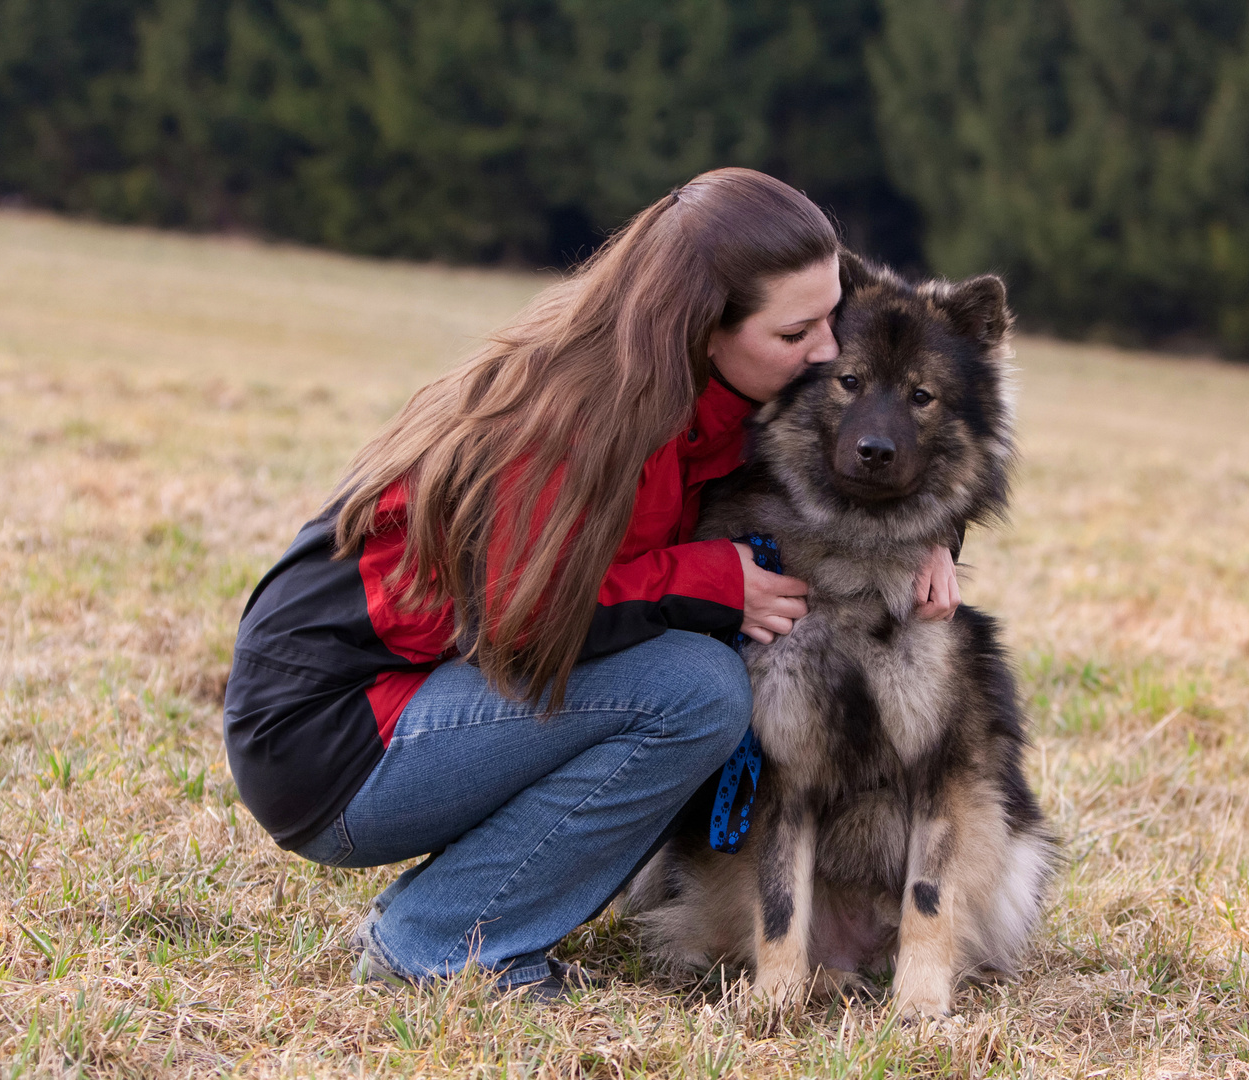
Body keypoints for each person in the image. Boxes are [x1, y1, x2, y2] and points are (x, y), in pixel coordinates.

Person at [221, 168, 962, 998]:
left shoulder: (710, 396)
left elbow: (863, 472)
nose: (828, 350)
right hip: (333, 736)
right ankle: (434, 943)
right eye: (799, 334)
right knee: (694, 691)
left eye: (832, 317)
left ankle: (454, 917)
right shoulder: (577, 417)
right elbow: (526, 620)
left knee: (689, 683)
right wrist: (712, 580)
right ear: (706, 329)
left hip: (423, 699)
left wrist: (934, 542)